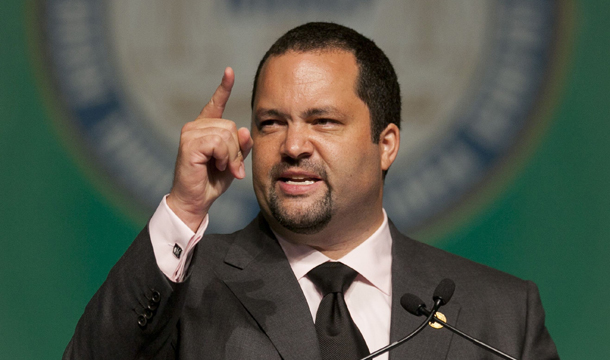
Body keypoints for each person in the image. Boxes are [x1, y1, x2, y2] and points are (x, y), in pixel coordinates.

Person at [64, 22, 559, 360]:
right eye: (272, 123)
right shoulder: (187, 289)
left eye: (323, 121)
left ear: (385, 144)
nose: (293, 145)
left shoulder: (501, 315)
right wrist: (184, 209)